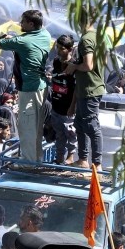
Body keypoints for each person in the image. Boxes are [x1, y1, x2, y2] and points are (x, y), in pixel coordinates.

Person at [0, 10, 51, 162]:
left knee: (26, 127)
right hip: (40, 88)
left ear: (31, 24)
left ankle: (28, 163)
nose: (20, 24)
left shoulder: (23, 41)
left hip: (30, 90)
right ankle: (35, 159)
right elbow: (25, 39)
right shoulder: (44, 34)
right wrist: (13, 38)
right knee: (34, 126)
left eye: (23, 22)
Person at [64, 5, 106, 169]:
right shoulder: (98, 37)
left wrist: (74, 66)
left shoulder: (86, 39)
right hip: (85, 89)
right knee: (80, 125)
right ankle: (83, 160)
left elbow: (88, 65)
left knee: (91, 126)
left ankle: (97, 164)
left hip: (90, 89)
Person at [48, 34, 78, 165]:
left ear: (70, 49)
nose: (59, 51)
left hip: (68, 108)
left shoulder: (73, 65)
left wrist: (72, 107)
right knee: (59, 134)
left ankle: (70, 157)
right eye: (57, 47)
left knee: (70, 133)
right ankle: (59, 157)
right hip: (56, 105)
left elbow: (76, 89)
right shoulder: (56, 61)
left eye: (62, 49)